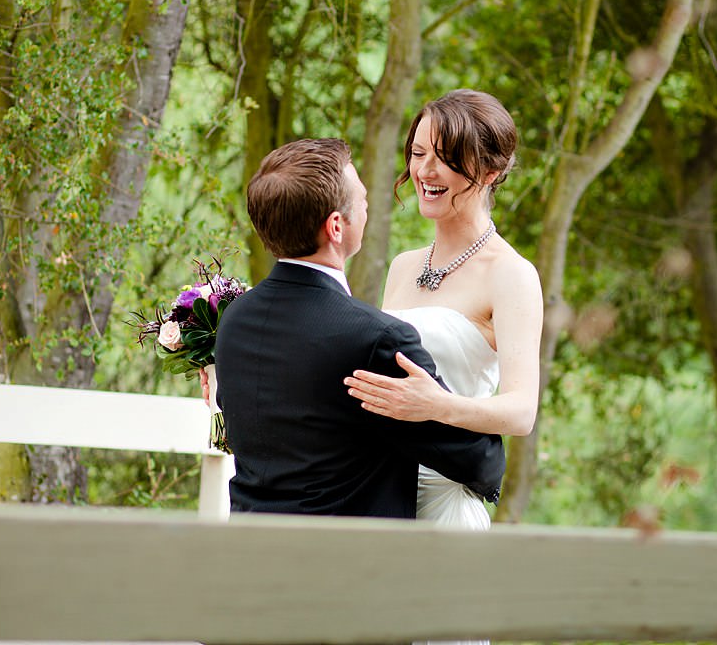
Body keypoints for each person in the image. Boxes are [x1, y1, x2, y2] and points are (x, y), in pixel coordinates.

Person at [212, 138, 505, 517]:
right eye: (362, 199)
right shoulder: (375, 340)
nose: (368, 206)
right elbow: (477, 461)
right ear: (336, 226)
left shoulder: (234, 321)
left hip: (252, 556)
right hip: (345, 563)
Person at [344, 89, 544, 528]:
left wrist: (436, 405)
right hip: (380, 496)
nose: (425, 171)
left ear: (490, 171)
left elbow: (520, 412)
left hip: (446, 502)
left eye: (447, 157)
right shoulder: (402, 267)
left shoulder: (511, 274)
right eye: (418, 153)